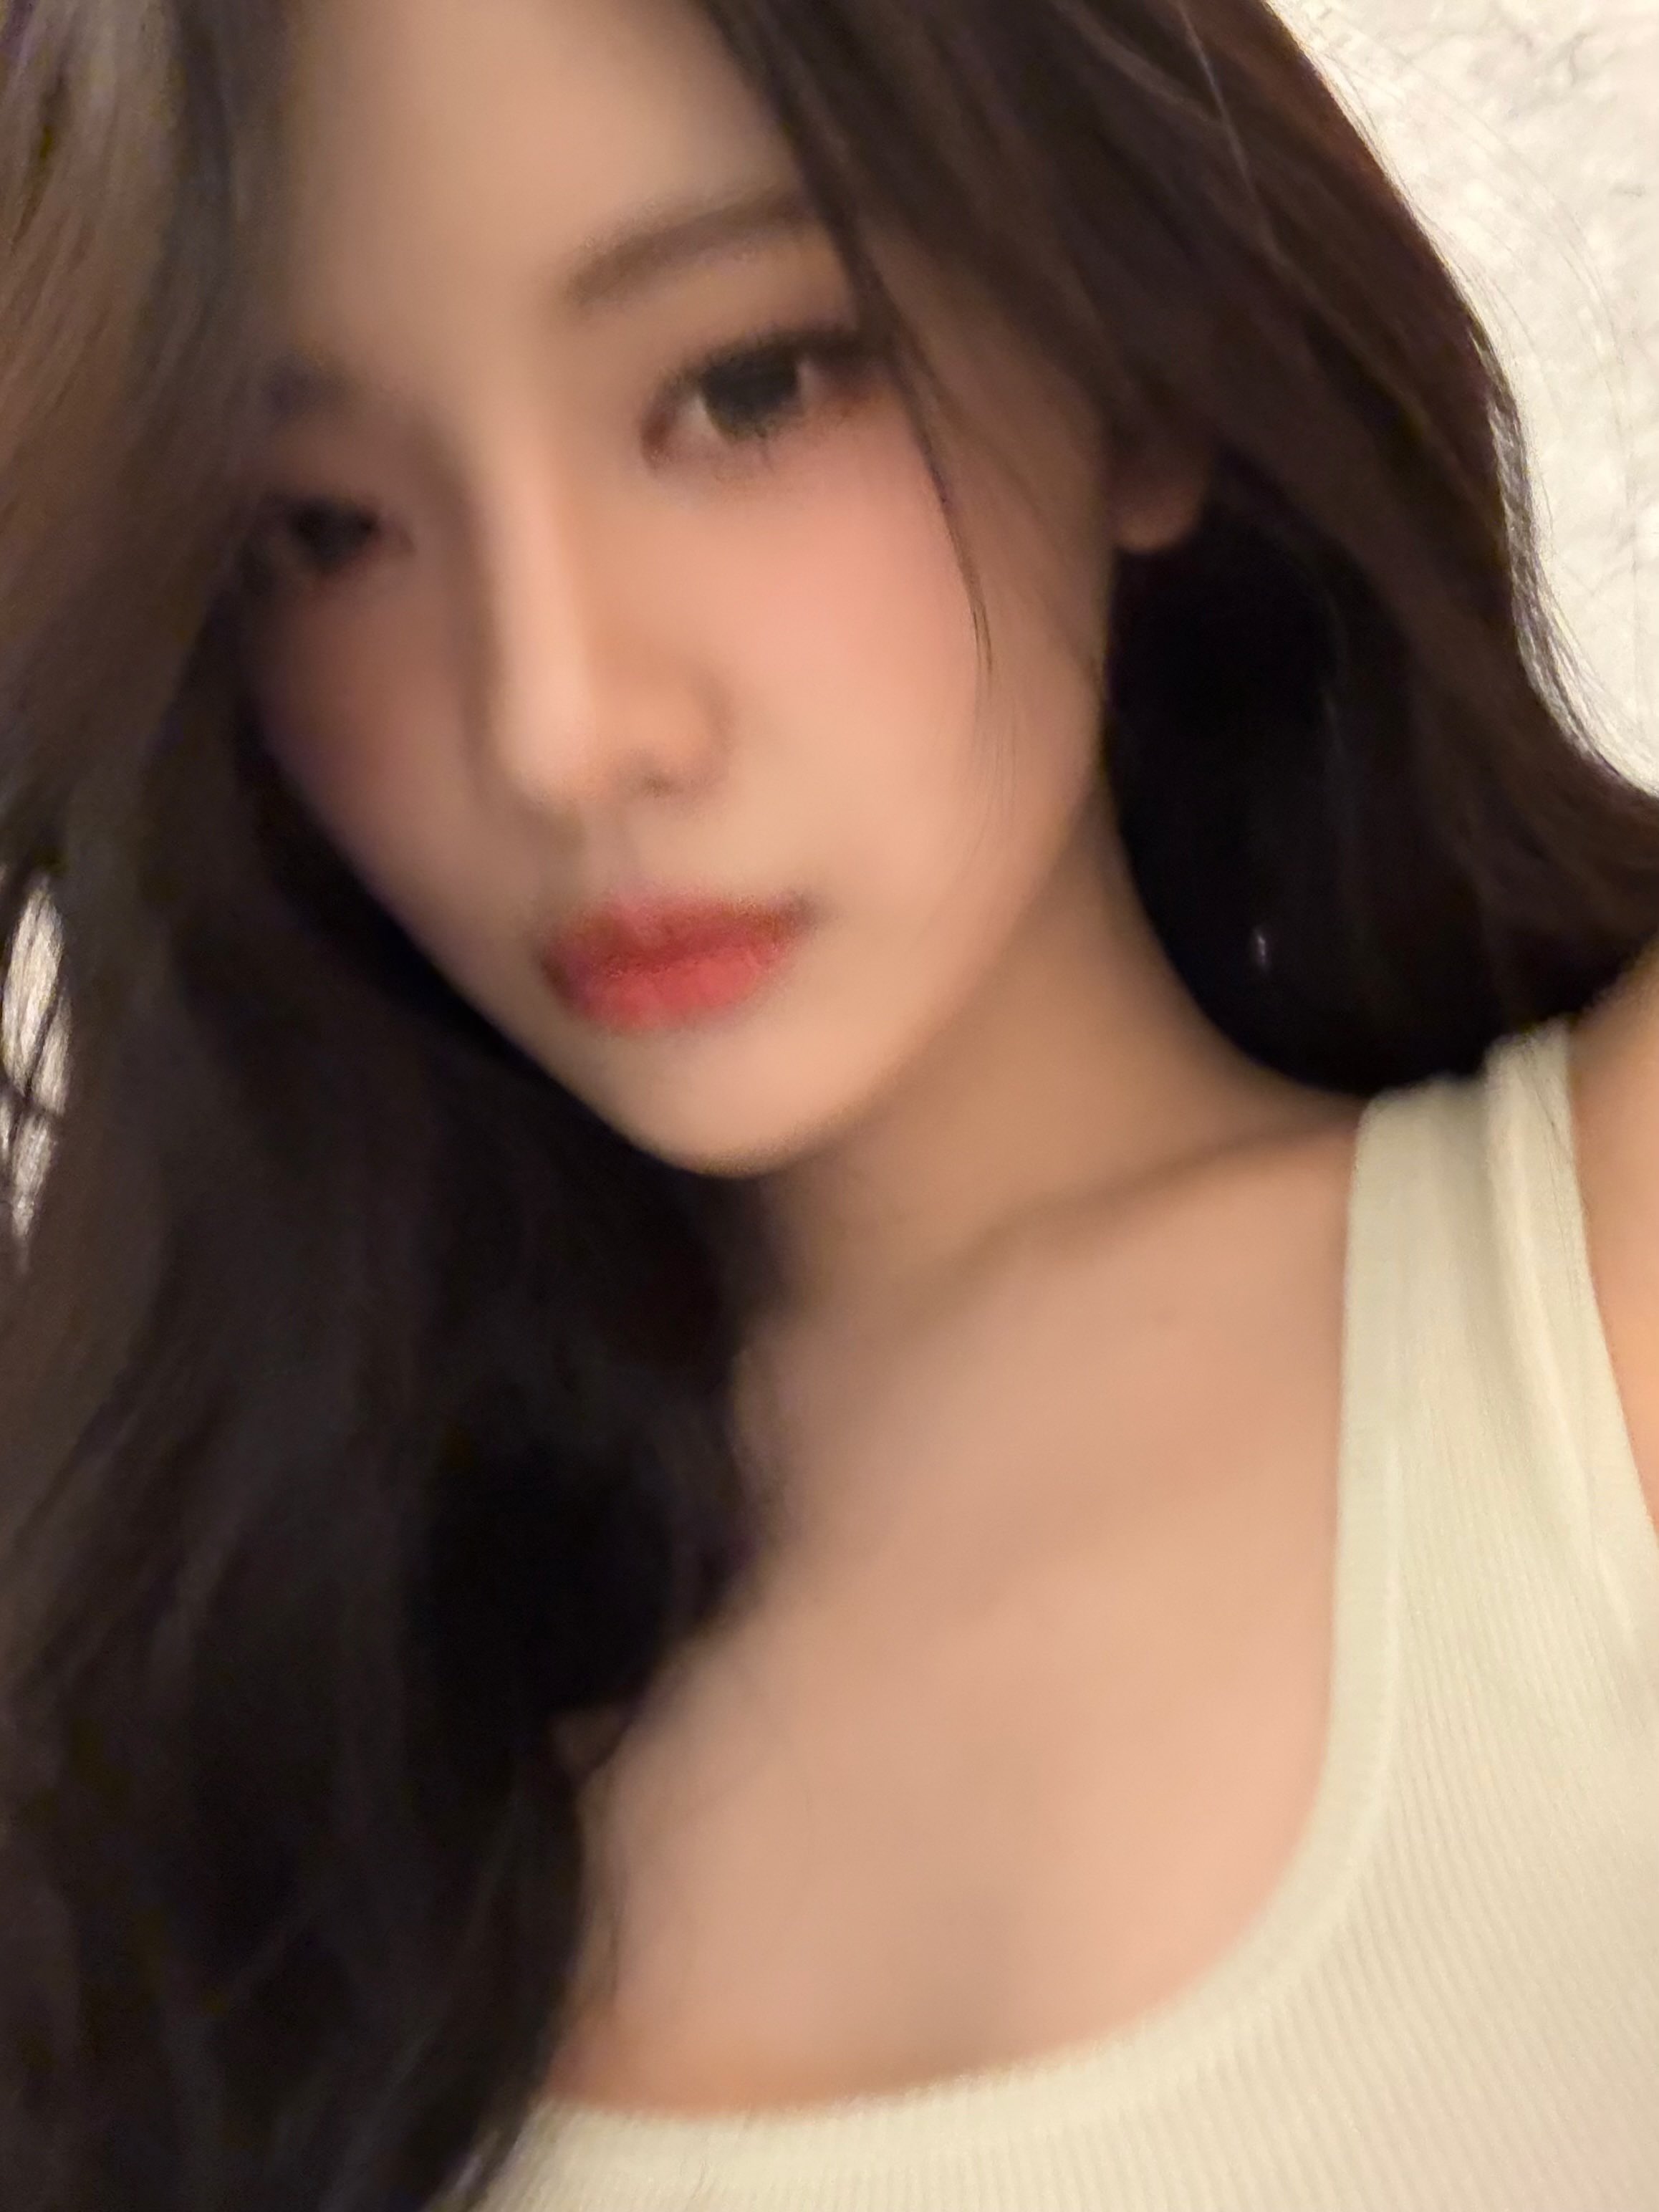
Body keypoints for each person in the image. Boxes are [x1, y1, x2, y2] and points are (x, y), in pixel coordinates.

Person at [1, 0, 1657, 2205]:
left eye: (749, 386)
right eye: (320, 528)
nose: (559, 727)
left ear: (1137, 358)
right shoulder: (202, 1693)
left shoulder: (1580, 1315)